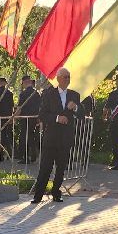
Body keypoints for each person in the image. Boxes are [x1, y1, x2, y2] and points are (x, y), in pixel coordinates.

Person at [30, 67, 80, 203]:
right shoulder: (48, 94)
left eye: (69, 77)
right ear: (58, 79)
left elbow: (82, 113)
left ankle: (56, 193)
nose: (68, 79)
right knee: (45, 167)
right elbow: (43, 115)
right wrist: (57, 118)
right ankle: (38, 195)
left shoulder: (74, 95)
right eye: (65, 77)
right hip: (51, 138)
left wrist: (75, 108)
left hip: (65, 138)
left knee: (61, 169)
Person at [15, 75, 40, 162]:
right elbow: (40, 107)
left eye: (23, 84)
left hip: (25, 118)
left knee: (23, 137)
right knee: (30, 136)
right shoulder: (36, 93)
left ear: (25, 83)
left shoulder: (23, 94)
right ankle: (33, 156)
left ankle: (25, 157)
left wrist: (15, 117)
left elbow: (19, 108)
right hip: (34, 118)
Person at [0, 77, 15, 160]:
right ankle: (9, 153)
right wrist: (11, 117)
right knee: (4, 135)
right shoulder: (10, 93)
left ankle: (0, 155)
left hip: (0, 116)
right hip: (7, 116)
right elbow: (12, 107)